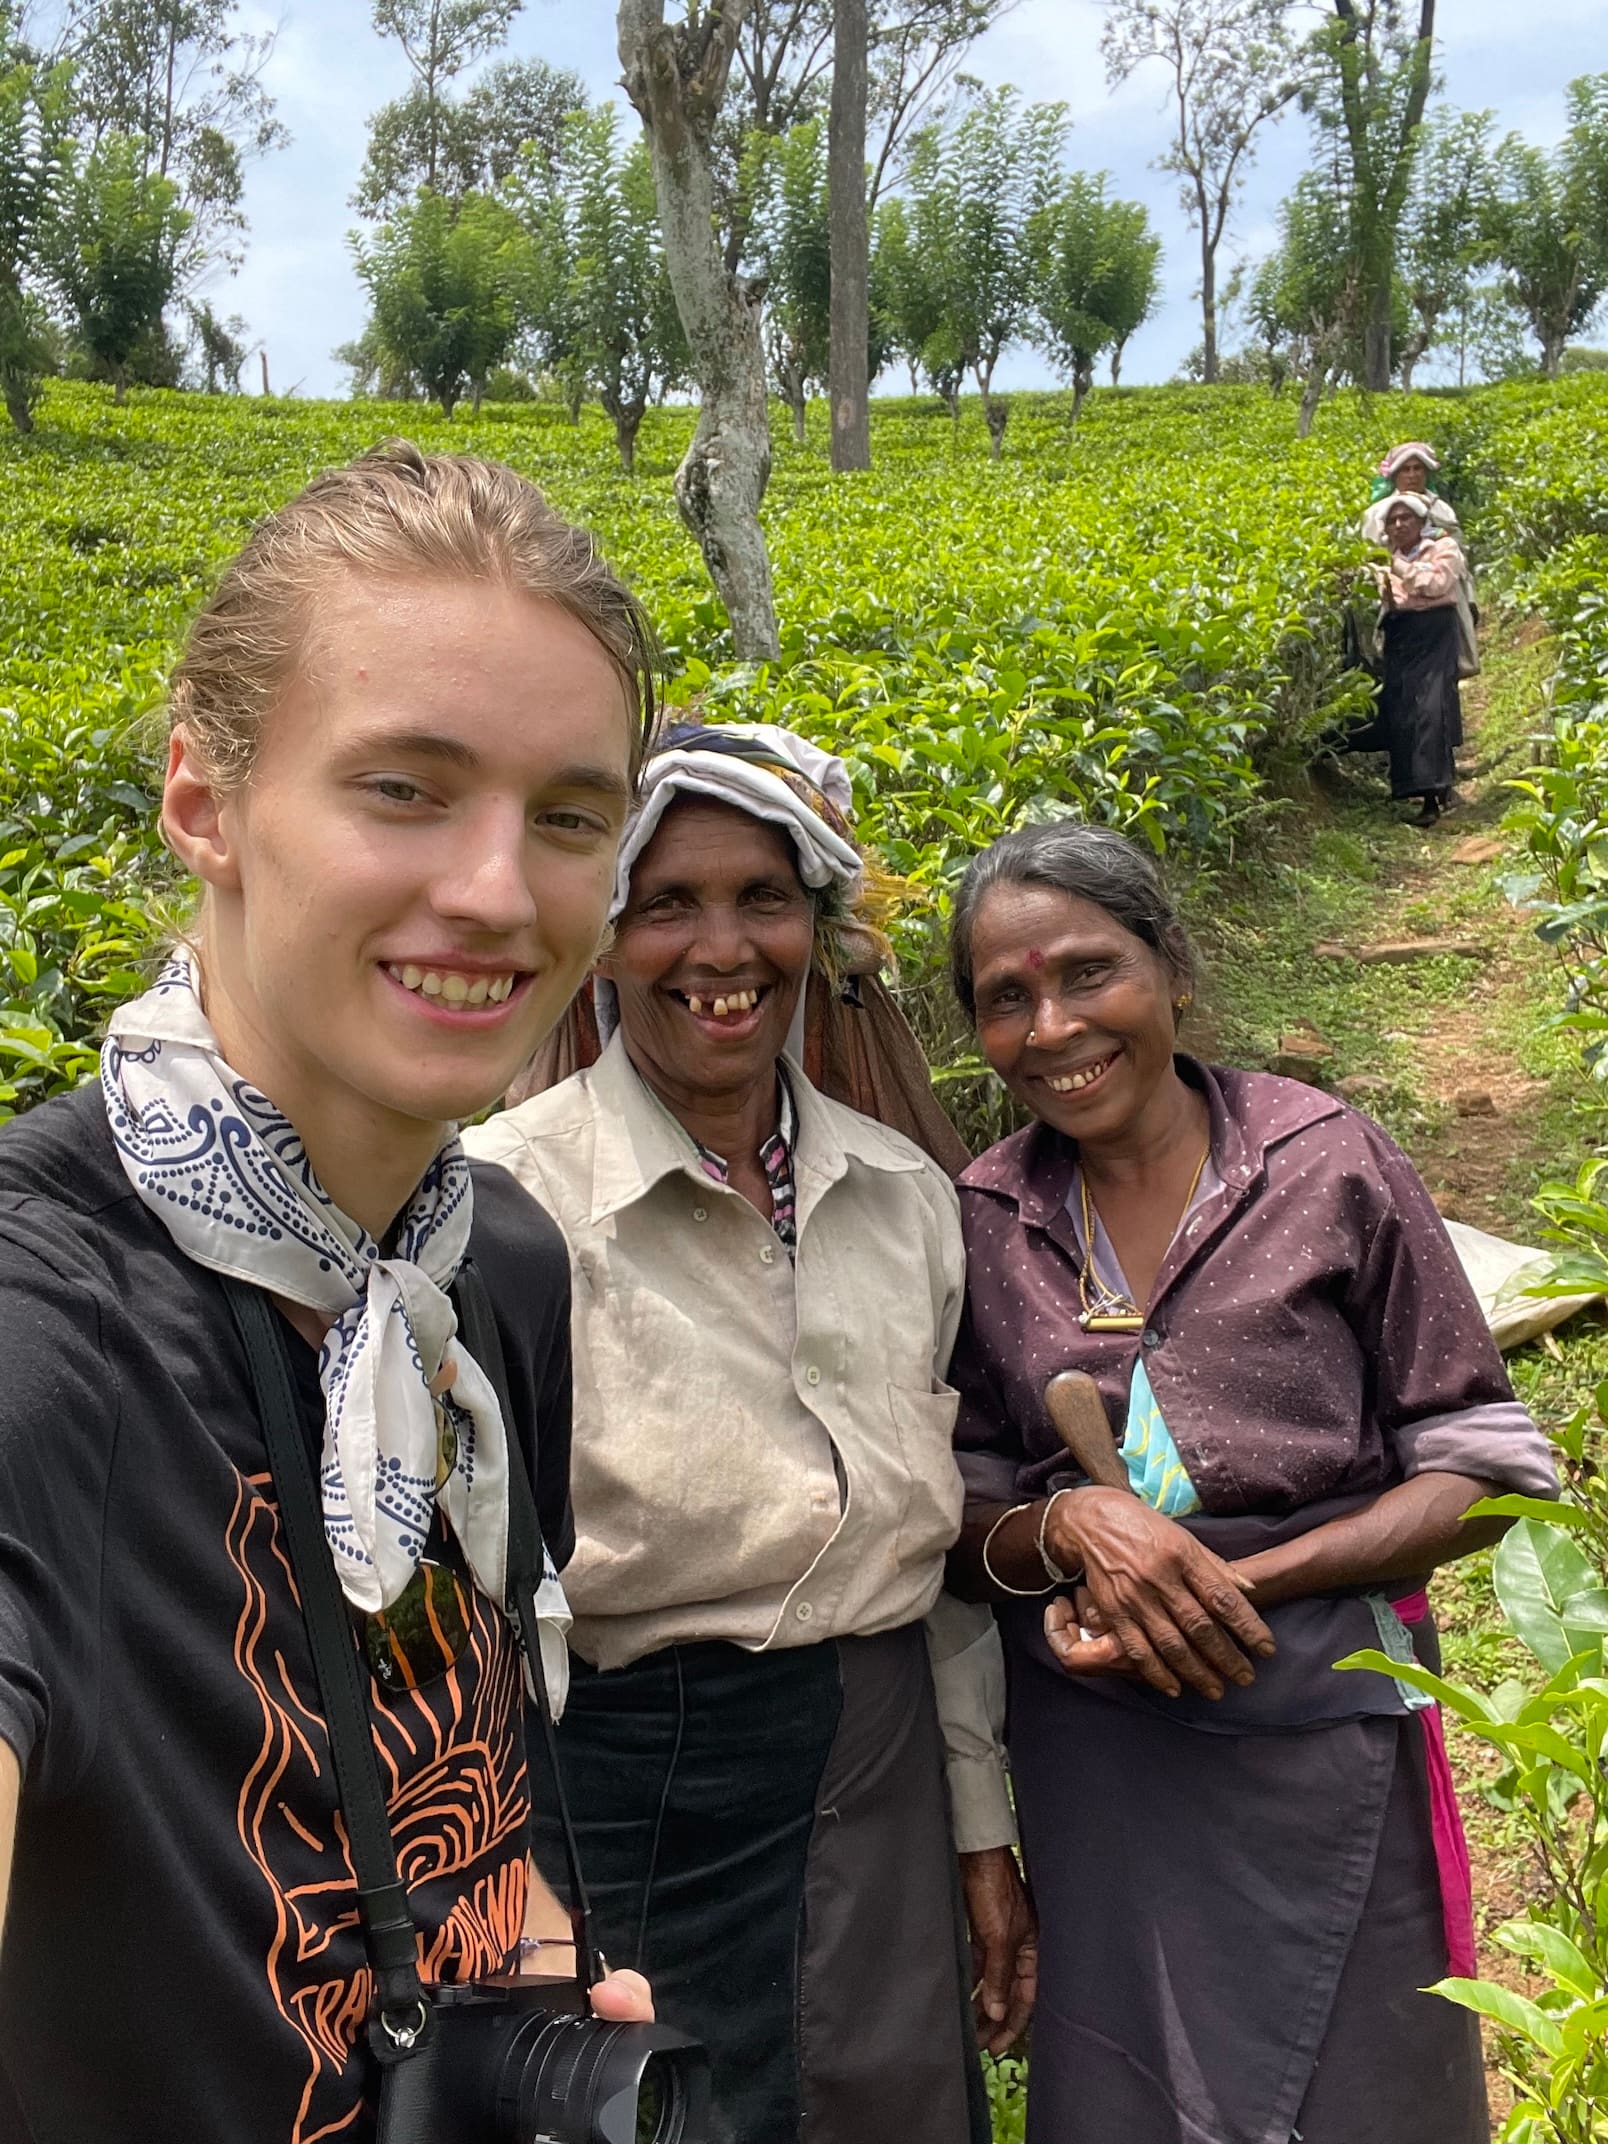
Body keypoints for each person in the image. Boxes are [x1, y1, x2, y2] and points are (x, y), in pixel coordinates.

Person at [0, 442, 658, 2143]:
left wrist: (529, 1941)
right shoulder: (42, 1335)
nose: (497, 894)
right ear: (202, 800)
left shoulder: (488, 1269)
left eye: (568, 816)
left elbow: (470, 1732)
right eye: (404, 788)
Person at [943, 819, 1560, 2144]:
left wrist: (1242, 1580)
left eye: (1090, 972)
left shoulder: (1323, 1158)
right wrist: (1072, 1526)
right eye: (1007, 997)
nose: (1054, 1027)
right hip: (1105, 1764)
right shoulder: (986, 1216)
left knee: (1368, 2087)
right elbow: (958, 1521)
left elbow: (1484, 1466)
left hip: (1327, 1719)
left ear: (1171, 967)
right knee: (1132, 2086)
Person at [466, 723, 1033, 2144]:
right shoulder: (501, 1205)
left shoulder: (903, 1197)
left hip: (873, 1767)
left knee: (880, 2108)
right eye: (668, 903)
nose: (722, 948)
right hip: (615, 1796)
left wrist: (980, 1825)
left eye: (763, 899)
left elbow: (935, 1559)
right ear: (604, 940)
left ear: (814, 927)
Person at [1373, 490, 1467, 824]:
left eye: (1406, 518)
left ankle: (1434, 795)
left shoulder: (1443, 548)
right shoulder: (1385, 558)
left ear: (1421, 522)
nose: (1399, 525)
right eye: (1393, 521)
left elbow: (1436, 584)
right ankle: (1416, 788)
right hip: (1402, 633)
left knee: (1432, 707)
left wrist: (1399, 568)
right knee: (1403, 709)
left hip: (1435, 632)